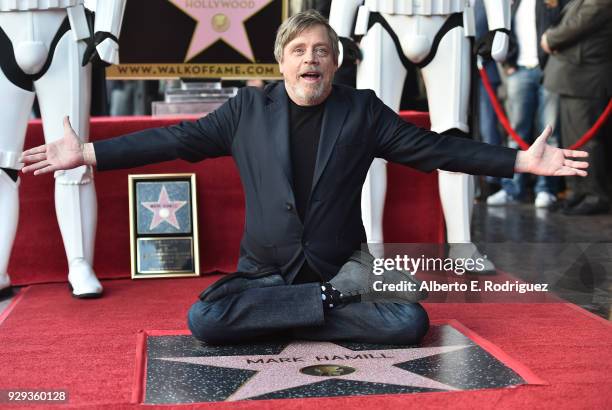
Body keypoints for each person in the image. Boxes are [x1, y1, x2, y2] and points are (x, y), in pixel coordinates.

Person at [21, 11, 588, 345]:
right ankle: (317, 308)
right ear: (281, 60)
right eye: (299, 50)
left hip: (343, 268)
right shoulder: (246, 111)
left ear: (335, 64)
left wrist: (519, 162)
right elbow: (172, 139)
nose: (311, 58)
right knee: (204, 319)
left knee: (410, 319)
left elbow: (434, 148)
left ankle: (292, 315)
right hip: (266, 273)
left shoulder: (362, 111)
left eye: (322, 50)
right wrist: (88, 153)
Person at [0, 0, 126, 298]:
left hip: (66, 25)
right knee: (2, 164)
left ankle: (80, 262)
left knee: (74, 159)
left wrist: (108, 28)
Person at [486, 0, 568, 209]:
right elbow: (503, 32)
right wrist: (508, 63)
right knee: (516, 134)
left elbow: (566, 26)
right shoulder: (514, 3)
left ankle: (545, 190)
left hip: (549, 70)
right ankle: (513, 189)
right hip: (519, 71)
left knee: (550, 132)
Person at [541, 0, 612, 215]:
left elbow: (574, 27)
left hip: (586, 79)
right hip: (574, 78)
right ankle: (578, 192)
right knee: (573, 142)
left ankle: (595, 195)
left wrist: (549, 38)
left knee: (588, 144)